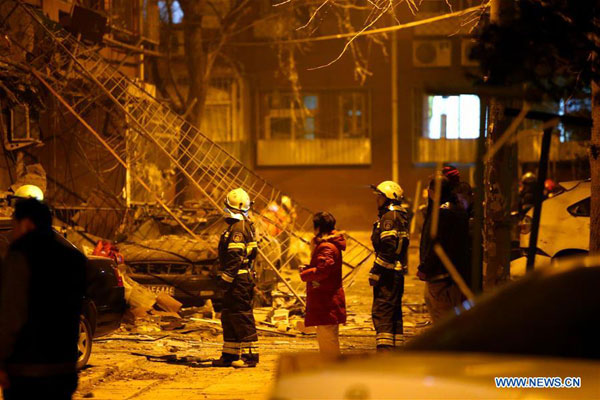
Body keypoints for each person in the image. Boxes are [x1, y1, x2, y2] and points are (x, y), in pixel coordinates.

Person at [0, 198, 86, 399]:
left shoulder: (20, 255)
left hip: (26, 371)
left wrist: (1, 362)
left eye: (14, 225)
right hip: (63, 369)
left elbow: (12, 315)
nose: (14, 232)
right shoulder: (74, 259)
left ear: (27, 223)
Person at [212, 188, 260, 368]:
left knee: (241, 317)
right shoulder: (241, 226)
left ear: (227, 206)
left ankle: (250, 357)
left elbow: (234, 258)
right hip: (239, 281)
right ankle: (230, 355)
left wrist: (224, 281)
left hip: (237, 282)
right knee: (230, 317)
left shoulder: (237, 229)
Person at [418, 176, 470, 323]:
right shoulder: (458, 209)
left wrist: (425, 268)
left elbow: (436, 244)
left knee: (441, 318)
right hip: (455, 275)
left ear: (432, 192)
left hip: (440, 277)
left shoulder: (441, 213)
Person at [300, 212, 347, 359]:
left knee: (328, 339)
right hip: (326, 299)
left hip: (327, 301)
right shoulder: (327, 245)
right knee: (326, 337)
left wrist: (305, 274)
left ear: (319, 227)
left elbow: (323, 270)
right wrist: (308, 267)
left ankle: (332, 370)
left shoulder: (326, 247)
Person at [369, 181, 409, 350]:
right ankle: (396, 353)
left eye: (380, 196)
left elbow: (388, 248)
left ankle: (385, 354)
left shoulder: (389, 218)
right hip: (395, 273)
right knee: (394, 314)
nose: (377, 199)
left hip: (387, 274)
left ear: (389, 198)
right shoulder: (398, 216)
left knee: (383, 312)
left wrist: (375, 271)